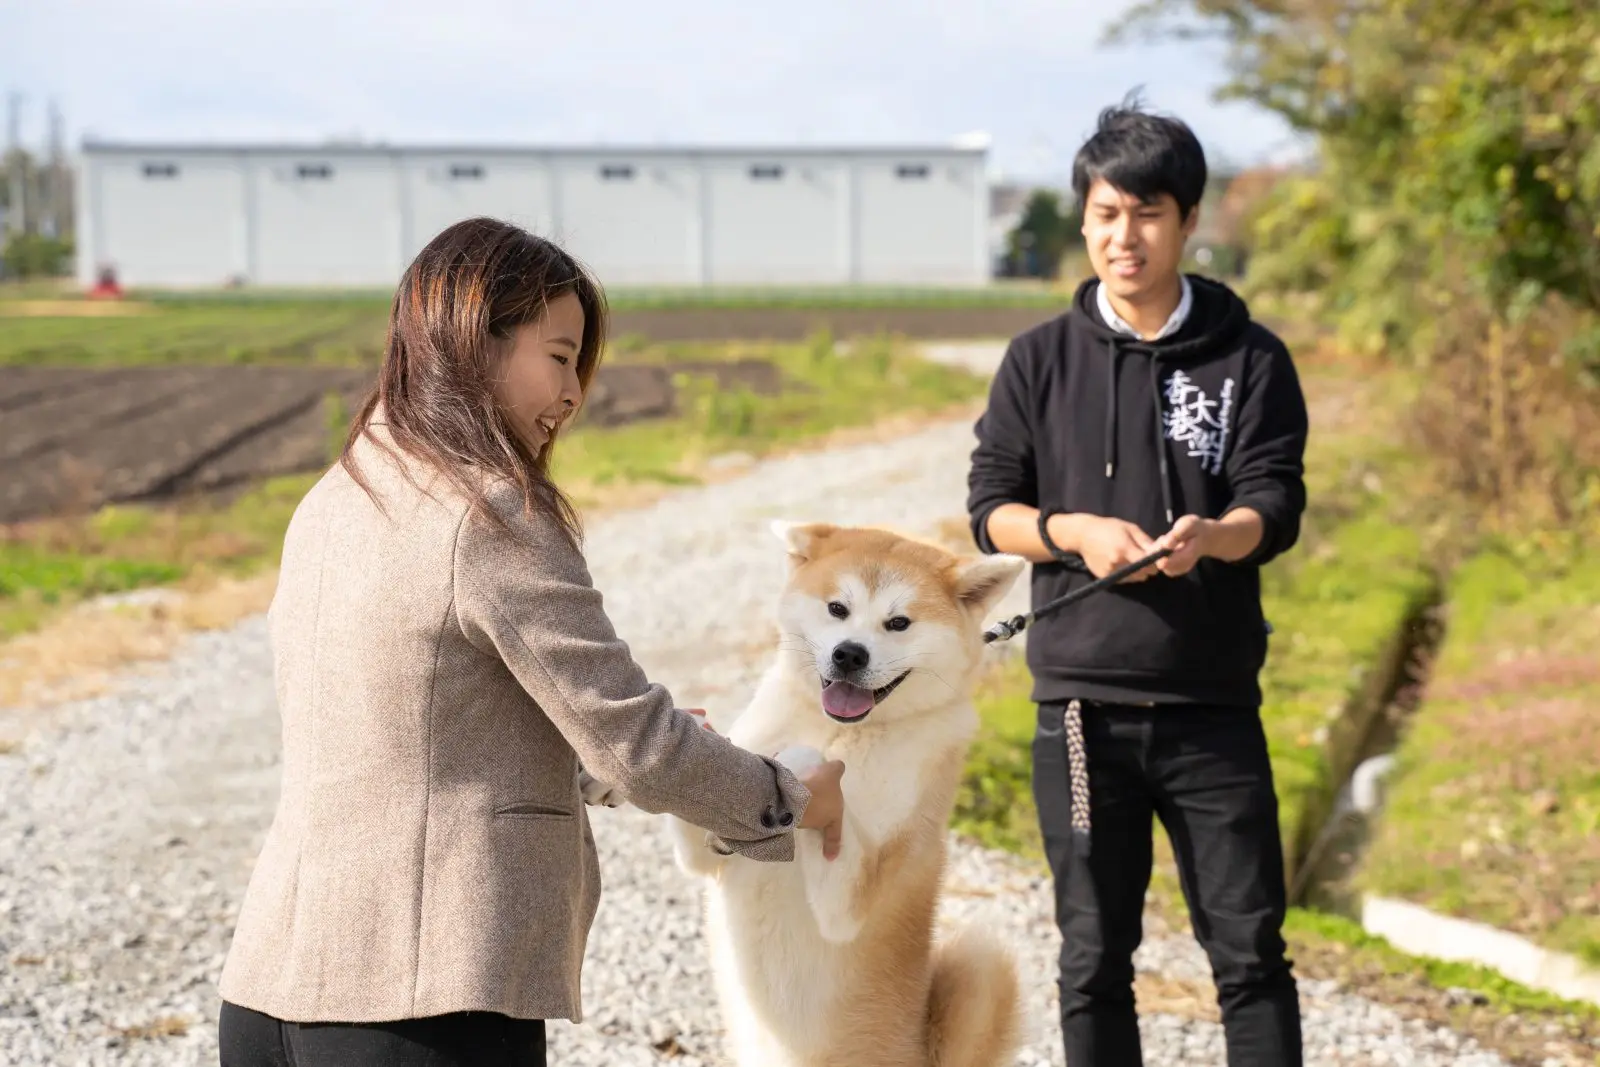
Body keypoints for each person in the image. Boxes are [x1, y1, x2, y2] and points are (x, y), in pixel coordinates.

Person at [215, 216, 848, 1067]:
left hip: (268, 996)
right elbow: (641, 748)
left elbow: (410, 729)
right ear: (477, 339)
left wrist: (584, 756)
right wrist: (794, 798)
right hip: (423, 1004)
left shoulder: (337, 495)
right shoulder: (489, 513)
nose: (574, 392)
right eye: (559, 355)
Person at [966, 99, 1310, 1066]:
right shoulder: (1038, 360)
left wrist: (1216, 536)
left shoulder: (1251, 358)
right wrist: (1073, 531)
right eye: (1107, 214)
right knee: (1092, 959)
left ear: (1189, 221)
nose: (1126, 236)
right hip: (1081, 711)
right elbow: (990, 509)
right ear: (1084, 221)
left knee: (1250, 954)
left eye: (1149, 214)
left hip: (1213, 706)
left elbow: (1274, 503)